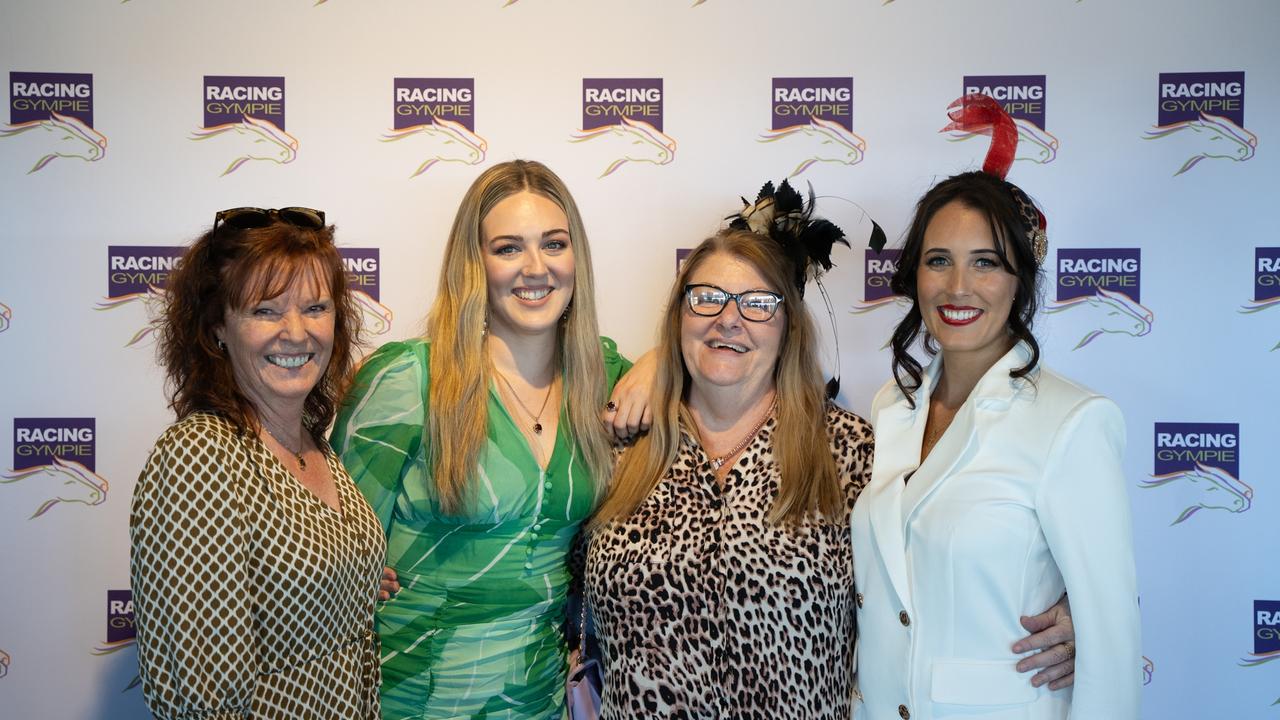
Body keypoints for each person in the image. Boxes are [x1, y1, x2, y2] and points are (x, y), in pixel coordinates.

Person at [584, 181, 1081, 720]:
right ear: (679, 313)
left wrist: (1078, 612)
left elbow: (951, 557)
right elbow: (534, 569)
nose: (729, 319)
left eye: (757, 303)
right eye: (707, 298)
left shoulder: (855, 453)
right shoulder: (618, 446)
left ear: (788, 326)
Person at [331, 160, 648, 719]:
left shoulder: (601, 373)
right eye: (507, 248)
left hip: (540, 702)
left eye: (554, 243)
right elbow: (336, 568)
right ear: (473, 264)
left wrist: (659, 364)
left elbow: (721, 361)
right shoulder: (406, 382)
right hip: (409, 700)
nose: (535, 268)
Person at [851, 165, 1142, 717]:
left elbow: (1111, 639)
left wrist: (1087, 620)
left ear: (1020, 280)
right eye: (939, 261)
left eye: (986, 263)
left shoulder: (1074, 420)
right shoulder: (893, 406)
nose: (958, 287)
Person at [130, 207, 385, 719]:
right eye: (265, 311)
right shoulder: (200, 457)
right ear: (219, 327)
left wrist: (354, 572)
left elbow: (290, 584)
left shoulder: (315, 444)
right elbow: (205, 701)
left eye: (315, 307)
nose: (295, 332)